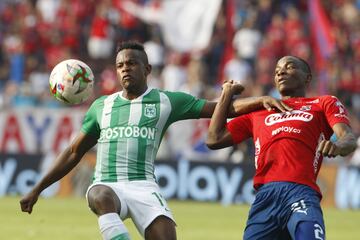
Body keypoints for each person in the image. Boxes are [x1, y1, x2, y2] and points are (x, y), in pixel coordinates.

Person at [19, 41, 288, 240]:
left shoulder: (167, 101)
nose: (125, 69)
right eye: (120, 65)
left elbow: (219, 108)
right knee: (99, 196)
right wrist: (38, 188)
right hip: (107, 184)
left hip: (144, 187)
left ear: (147, 68)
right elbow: (73, 151)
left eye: (132, 64)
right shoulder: (102, 106)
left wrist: (259, 101)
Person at [206, 56, 357, 240]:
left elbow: (349, 138)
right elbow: (214, 139)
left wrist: (337, 146)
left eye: (289, 67)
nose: (281, 72)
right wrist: (227, 94)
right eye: (277, 70)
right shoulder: (259, 112)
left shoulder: (323, 103)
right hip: (265, 198)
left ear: (307, 78)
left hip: (301, 192)